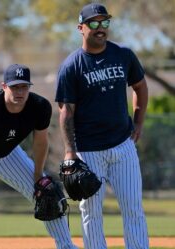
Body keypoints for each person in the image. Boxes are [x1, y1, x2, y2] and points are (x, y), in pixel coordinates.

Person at [55, 3, 149, 249]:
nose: (100, 28)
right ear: (81, 28)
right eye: (94, 23)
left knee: (133, 209)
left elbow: (140, 86)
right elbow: (66, 111)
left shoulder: (123, 55)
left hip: (122, 146)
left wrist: (138, 121)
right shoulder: (72, 66)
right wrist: (70, 152)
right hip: (89, 152)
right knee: (91, 214)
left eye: (104, 22)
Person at [0, 64, 79, 249]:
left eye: (24, 86)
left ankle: (66, 246)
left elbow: (40, 142)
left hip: (8, 155)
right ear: (4, 86)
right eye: (15, 86)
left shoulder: (39, 106)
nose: (20, 91)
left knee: (47, 193)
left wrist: (39, 174)